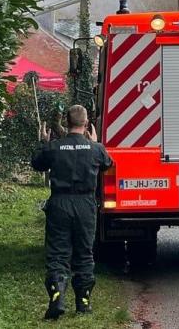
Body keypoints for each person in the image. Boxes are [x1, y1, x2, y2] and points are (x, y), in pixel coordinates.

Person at [31, 105, 113, 320]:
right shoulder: (95, 149)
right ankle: (83, 302)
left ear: (66, 123)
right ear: (86, 124)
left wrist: (43, 142)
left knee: (58, 252)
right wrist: (94, 142)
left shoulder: (55, 147)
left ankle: (57, 297)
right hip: (85, 204)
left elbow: (37, 164)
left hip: (60, 202)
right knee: (84, 253)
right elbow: (107, 164)